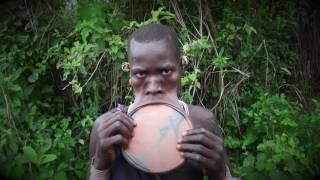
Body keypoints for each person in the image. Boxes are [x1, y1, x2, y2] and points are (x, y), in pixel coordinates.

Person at [88, 24, 232, 180]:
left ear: (181, 69)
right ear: (130, 75)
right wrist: (100, 164)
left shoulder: (201, 122)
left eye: (166, 71)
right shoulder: (107, 129)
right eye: (141, 73)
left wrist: (221, 174)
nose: (154, 87)